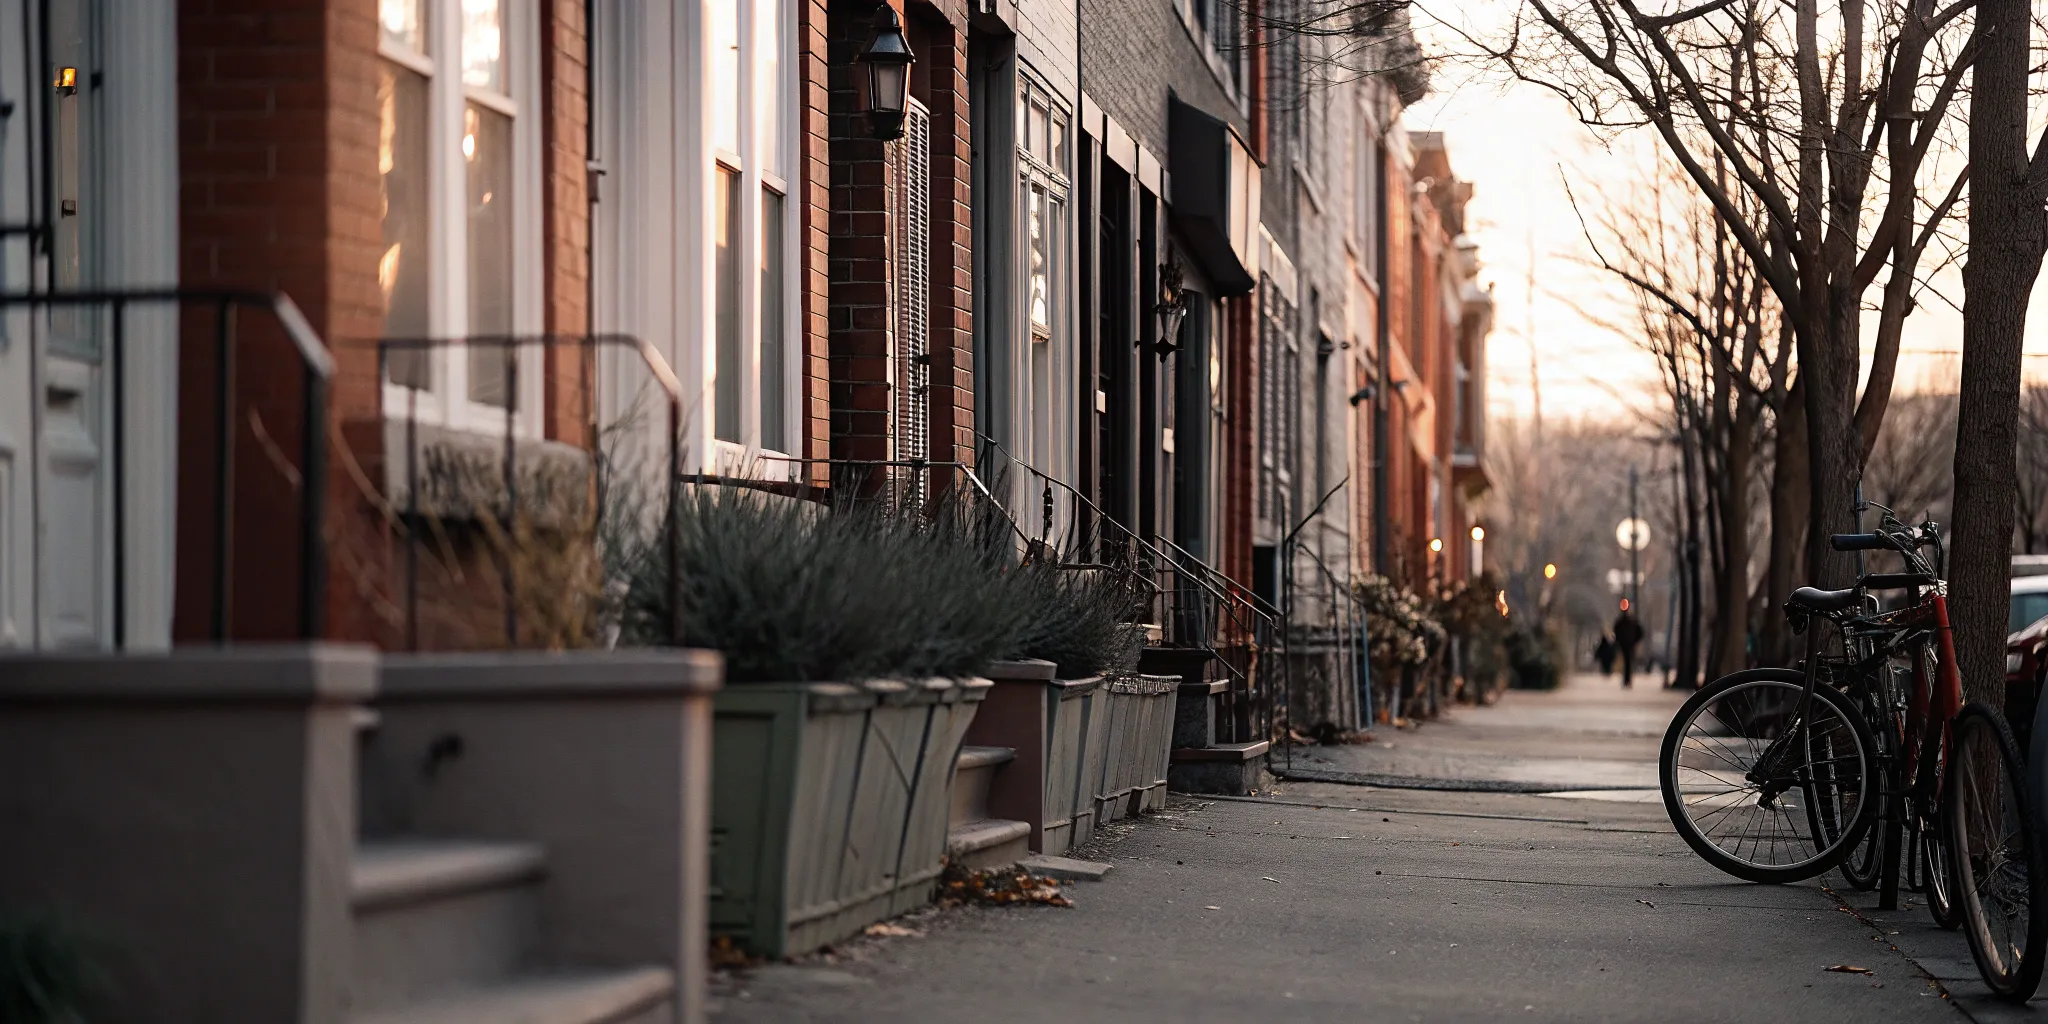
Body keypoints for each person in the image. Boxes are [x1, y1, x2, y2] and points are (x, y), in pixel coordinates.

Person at [1612, 607, 1645, 688]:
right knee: (1629, 662)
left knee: (1626, 662)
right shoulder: (1633, 621)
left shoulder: (1620, 621)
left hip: (1624, 644)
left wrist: (1618, 641)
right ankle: (1628, 680)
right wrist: (1635, 641)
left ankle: (1626, 680)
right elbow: (1640, 632)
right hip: (1630, 644)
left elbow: (1616, 631)